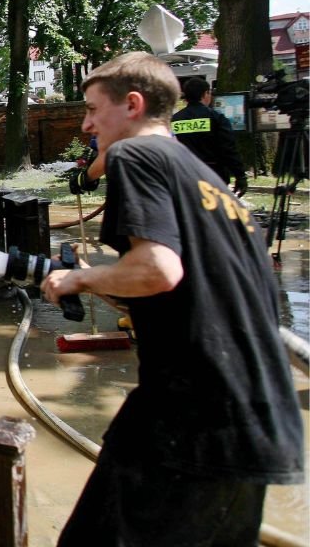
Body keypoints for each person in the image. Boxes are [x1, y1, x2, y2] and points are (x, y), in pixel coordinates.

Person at [41, 52, 303, 546]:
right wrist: (102, 282)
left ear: (133, 105)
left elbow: (158, 270)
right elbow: (184, 292)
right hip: (259, 429)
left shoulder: (134, 154)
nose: (86, 125)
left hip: (190, 421)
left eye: (93, 109)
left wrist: (81, 280)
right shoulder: (211, 185)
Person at [170, 77, 248, 195]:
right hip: (213, 175)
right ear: (205, 94)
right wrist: (240, 175)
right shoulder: (216, 118)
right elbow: (228, 149)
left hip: (184, 176)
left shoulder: (175, 120)